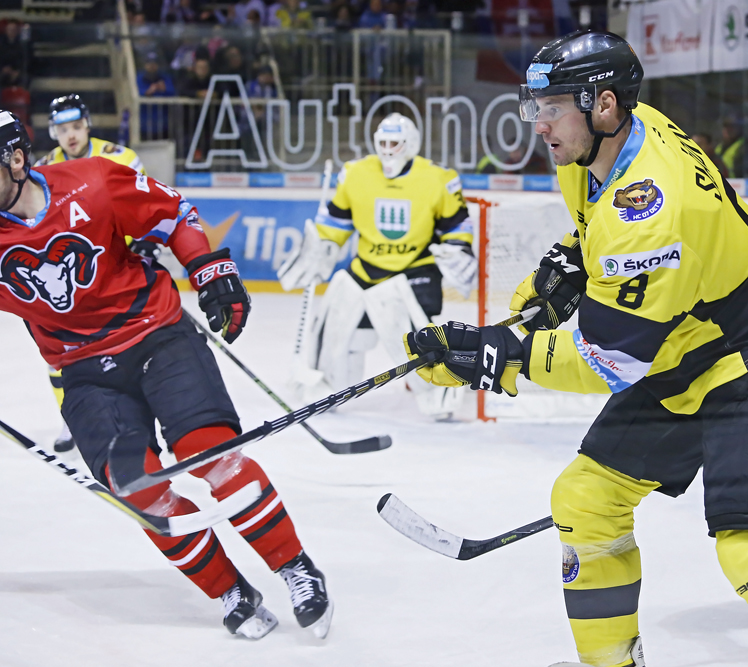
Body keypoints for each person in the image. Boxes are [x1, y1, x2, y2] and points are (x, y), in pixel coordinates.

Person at [404, 31, 748, 667]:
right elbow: (604, 232)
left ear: (604, 104)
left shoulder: (650, 208)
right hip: (692, 340)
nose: (539, 124)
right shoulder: (605, 142)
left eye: (552, 108)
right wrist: (570, 266)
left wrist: (499, 355)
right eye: (536, 107)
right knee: (586, 501)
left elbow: (608, 360)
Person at [0, 110, 332, 640]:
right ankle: (230, 589)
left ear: (16, 160)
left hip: (156, 334)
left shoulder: (91, 181)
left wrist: (209, 269)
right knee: (136, 487)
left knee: (211, 453)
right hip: (83, 371)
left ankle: (294, 566)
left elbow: (173, 212)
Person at [277, 113, 475, 421]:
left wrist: (457, 248)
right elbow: (337, 221)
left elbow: (456, 224)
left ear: (411, 144)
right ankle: (327, 387)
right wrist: (321, 246)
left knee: (416, 338)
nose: (387, 150)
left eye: (394, 143)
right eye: (382, 143)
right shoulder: (356, 173)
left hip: (414, 269)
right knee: (339, 315)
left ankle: (438, 393)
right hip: (366, 268)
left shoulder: (438, 178)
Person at [36, 94, 146, 452]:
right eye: (62, 129)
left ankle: (149, 413)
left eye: (76, 126)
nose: (70, 135)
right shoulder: (41, 171)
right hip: (72, 278)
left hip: (120, 270)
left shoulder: (121, 158)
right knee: (61, 352)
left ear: (87, 125)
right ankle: (73, 418)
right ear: (53, 132)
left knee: (136, 346)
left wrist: (146, 243)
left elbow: (145, 205)